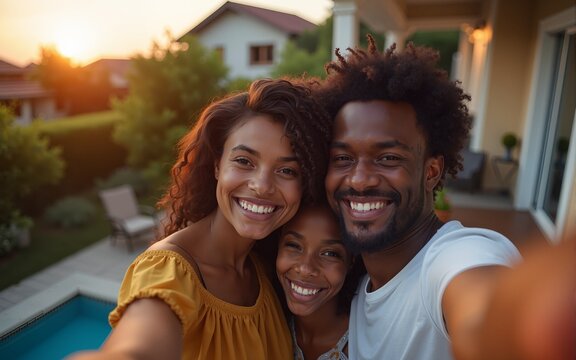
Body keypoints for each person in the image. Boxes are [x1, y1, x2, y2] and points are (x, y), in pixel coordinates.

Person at [70, 78, 332, 360]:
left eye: (287, 171)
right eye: (244, 161)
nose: (262, 185)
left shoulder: (267, 267)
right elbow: (140, 347)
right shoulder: (168, 271)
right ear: (217, 165)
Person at [312, 35, 527, 359]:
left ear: (432, 171)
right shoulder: (358, 283)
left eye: (388, 158)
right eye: (343, 159)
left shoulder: (454, 260)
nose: (359, 180)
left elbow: (483, 309)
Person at [276, 202, 365, 359]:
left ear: (351, 261)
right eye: (294, 245)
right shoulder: (266, 325)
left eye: (330, 254)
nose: (305, 269)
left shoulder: (369, 341)